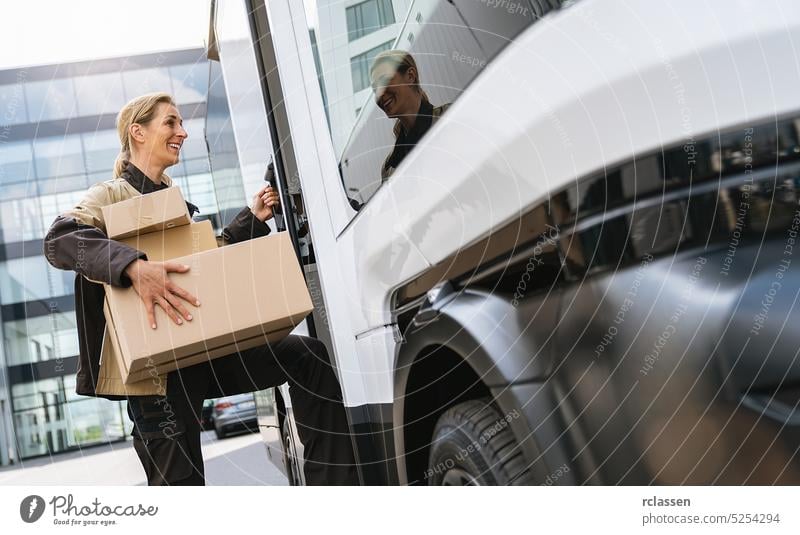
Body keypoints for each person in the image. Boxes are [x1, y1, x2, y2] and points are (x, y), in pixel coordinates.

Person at [43, 92, 359, 485]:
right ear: (137, 133)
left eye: (181, 124)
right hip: (155, 376)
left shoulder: (178, 204)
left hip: (202, 351)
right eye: (171, 123)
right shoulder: (109, 196)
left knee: (307, 357)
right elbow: (60, 239)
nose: (183, 132)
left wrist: (252, 218)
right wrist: (134, 269)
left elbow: (206, 263)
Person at [369, 50, 450, 180]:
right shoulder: (389, 167)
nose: (379, 93)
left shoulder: (449, 118)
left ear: (410, 75)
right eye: (375, 89)